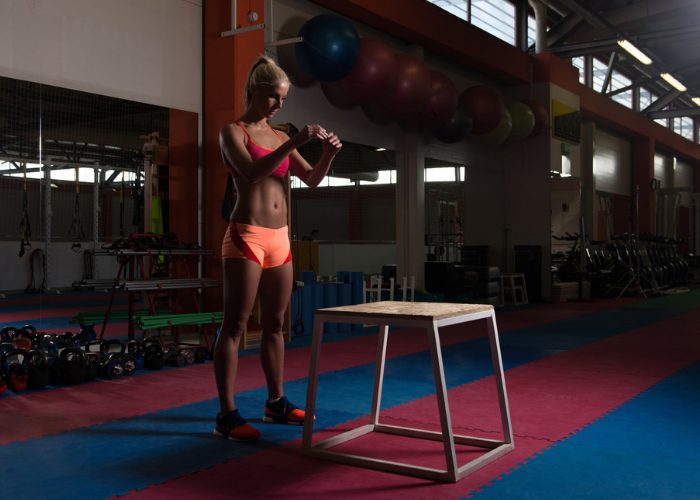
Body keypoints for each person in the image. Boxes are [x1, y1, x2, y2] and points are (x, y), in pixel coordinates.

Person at [214, 55, 342, 441]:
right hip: (247, 235)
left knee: (275, 325)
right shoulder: (232, 132)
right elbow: (252, 173)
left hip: (280, 238)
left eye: (282, 99)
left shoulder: (281, 136)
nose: (278, 105)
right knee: (236, 325)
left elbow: (312, 180)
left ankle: (275, 402)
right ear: (255, 91)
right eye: (272, 97)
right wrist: (294, 143)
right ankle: (227, 415)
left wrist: (328, 154)